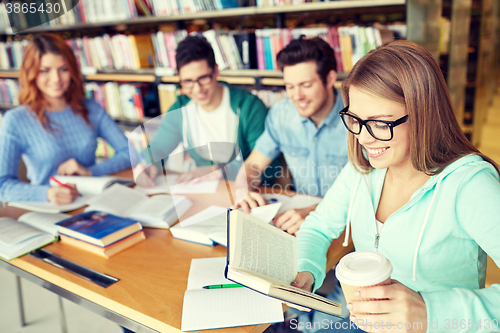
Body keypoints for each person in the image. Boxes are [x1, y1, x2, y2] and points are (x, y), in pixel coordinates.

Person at [291, 40, 500, 332]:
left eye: (380, 123)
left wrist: (429, 311)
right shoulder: (362, 168)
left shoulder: (470, 185)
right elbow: (318, 226)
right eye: (355, 120)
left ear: (424, 113)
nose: (363, 138)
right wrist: (306, 269)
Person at [0, 33, 130, 204]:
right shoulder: (15, 120)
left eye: (63, 69)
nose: (56, 79)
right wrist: (47, 194)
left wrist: (91, 172)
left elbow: (130, 153)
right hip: (48, 208)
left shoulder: (90, 109)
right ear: (31, 73)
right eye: (45, 70)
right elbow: (3, 185)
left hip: (92, 201)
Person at [236, 37, 348, 235]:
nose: (297, 96)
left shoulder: (358, 117)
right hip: (298, 223)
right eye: (289, 86)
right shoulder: (281, 114)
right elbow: (253, 164)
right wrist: (243, 189)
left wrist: (315, 213)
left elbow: (374, 193)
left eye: (305, 84)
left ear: (330, 79)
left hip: (348, 225)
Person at [136, 35, 272, 186]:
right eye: (188, 81)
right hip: (204, 190)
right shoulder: (181, 108)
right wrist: (148, 164)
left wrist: (217, 170)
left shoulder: (249, 107)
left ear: (216, 71)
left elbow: (267, 165)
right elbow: (158, 147)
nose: (197, 89)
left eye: (203, 78)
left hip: (248, 190)